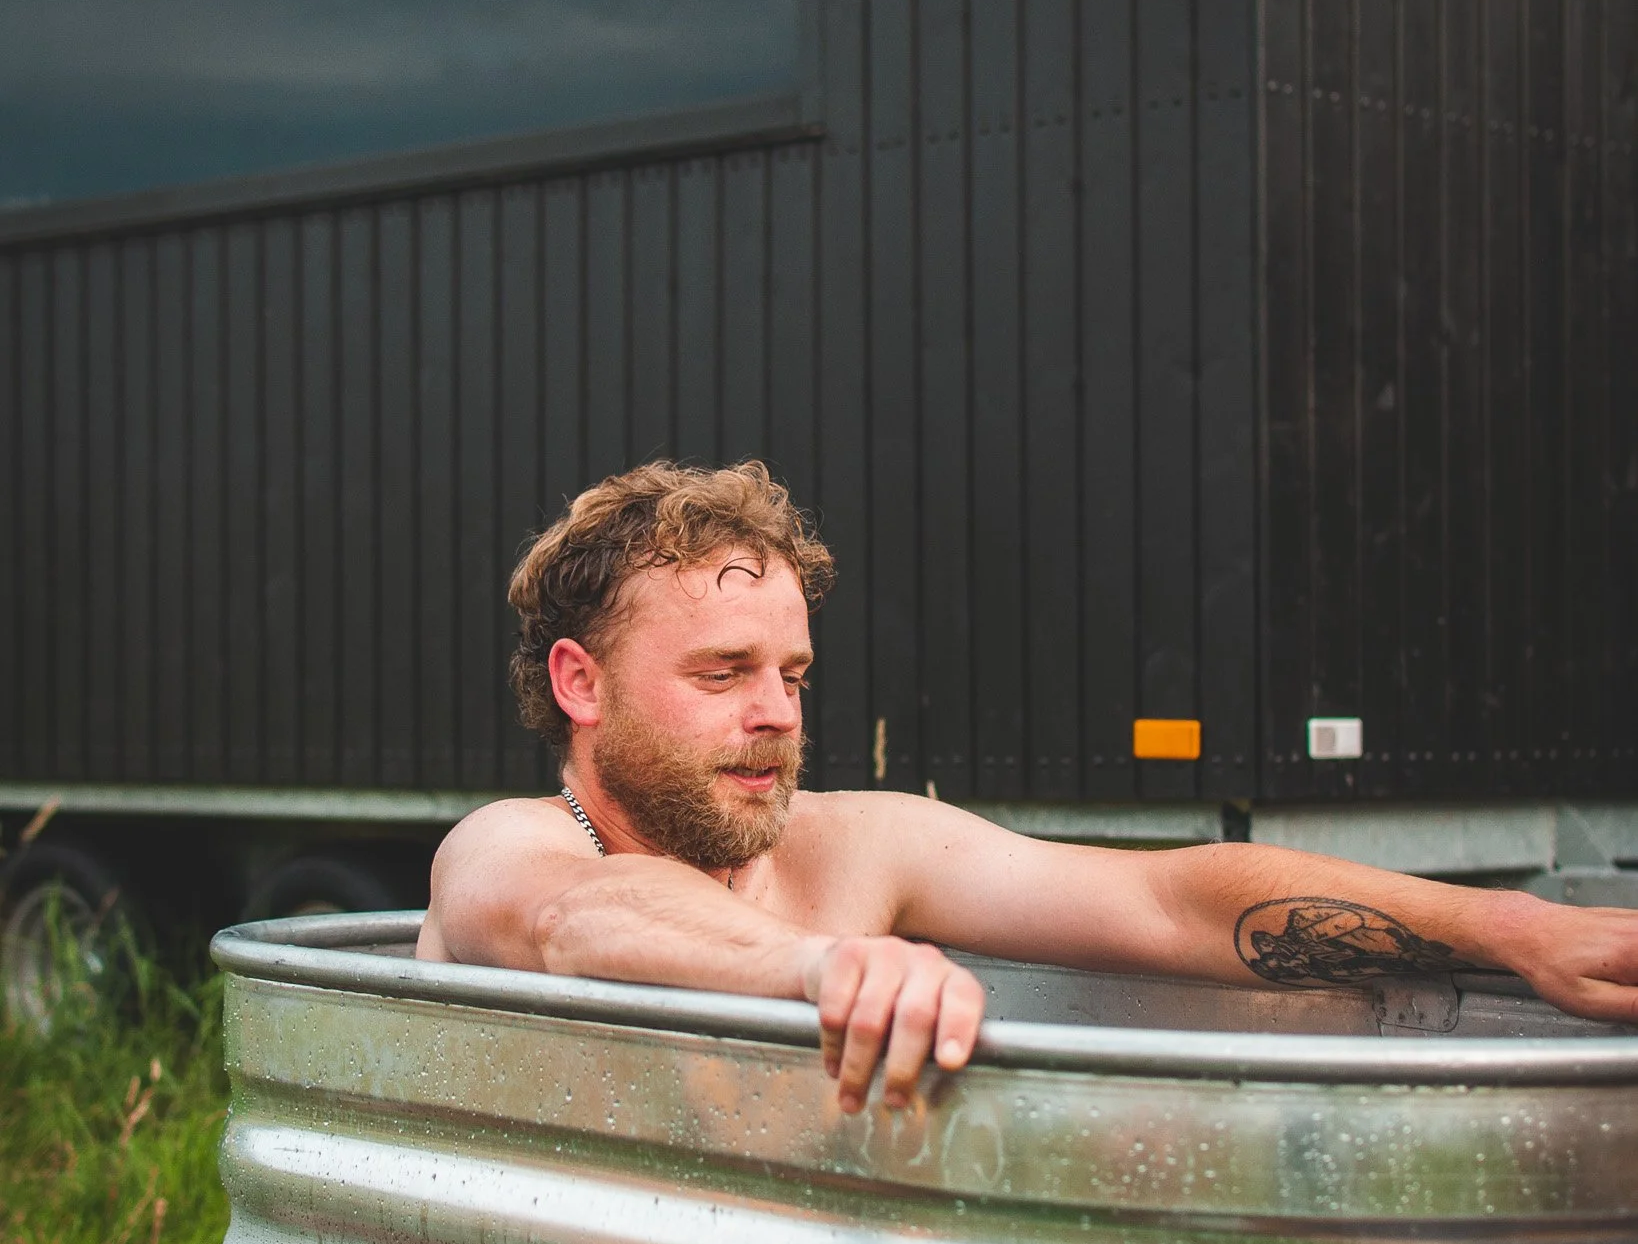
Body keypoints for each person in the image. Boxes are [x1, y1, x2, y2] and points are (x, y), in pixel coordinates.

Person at [420, 460, 1638, 1111]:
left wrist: (1508, 926)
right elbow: (579, 921)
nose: (778, 711)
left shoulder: (851, 851)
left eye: (793, 670)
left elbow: (1170, 900)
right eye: (723, 670)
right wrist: (818, 967)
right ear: (581, 682)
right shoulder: (510, 847)